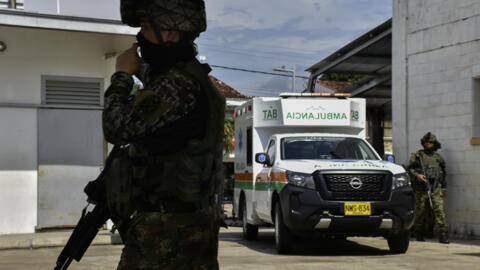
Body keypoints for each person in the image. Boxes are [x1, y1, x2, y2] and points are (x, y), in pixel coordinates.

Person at [102, 0, 226, 269]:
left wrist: (122, 75)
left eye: (146, 27)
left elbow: (116, 127)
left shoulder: (177, 84)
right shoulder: (191, 78)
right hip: (190, 224)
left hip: (166, 231)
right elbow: (157, 90)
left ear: (170, 32)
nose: (140, 37)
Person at [408, 132, 449, 244]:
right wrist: (418, 175)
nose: (428, 144)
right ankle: (419, 233)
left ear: (434, 143)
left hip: (435, 187)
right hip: (421, 188)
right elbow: (410, 169)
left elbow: (444, 173)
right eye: (426, 142)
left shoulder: (438, 158)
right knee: (420, 210)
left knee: (439, 210)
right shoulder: (417, 156)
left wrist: (444, 188)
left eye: (430, 142)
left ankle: (443, 234)